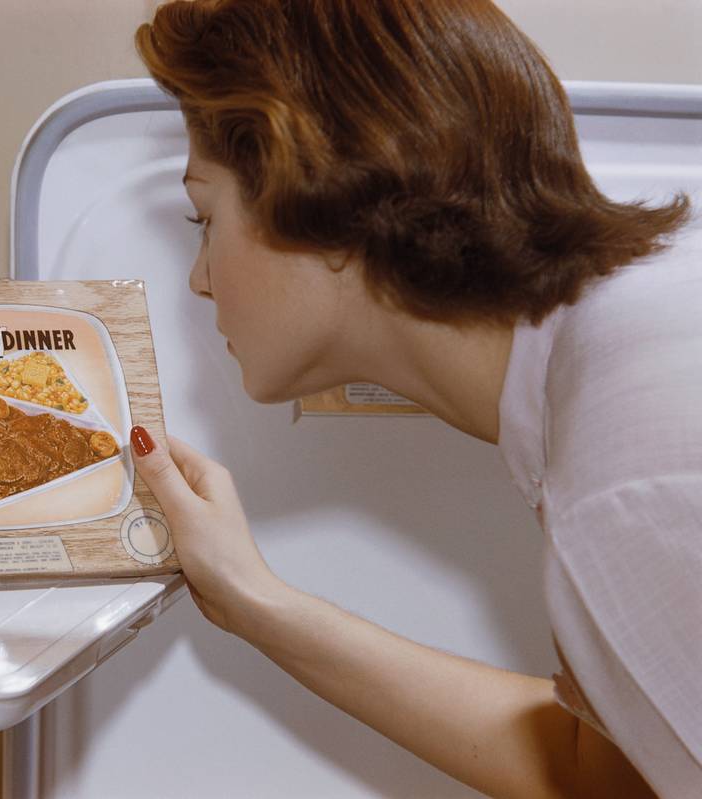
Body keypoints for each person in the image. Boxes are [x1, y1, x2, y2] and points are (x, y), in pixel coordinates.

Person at [126, 1, 701, 796]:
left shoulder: (626, 473)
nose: (199, 278)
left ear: (311, 186)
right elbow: (600, 768)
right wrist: (254, 600)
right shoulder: (616, 361)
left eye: (205, 216)